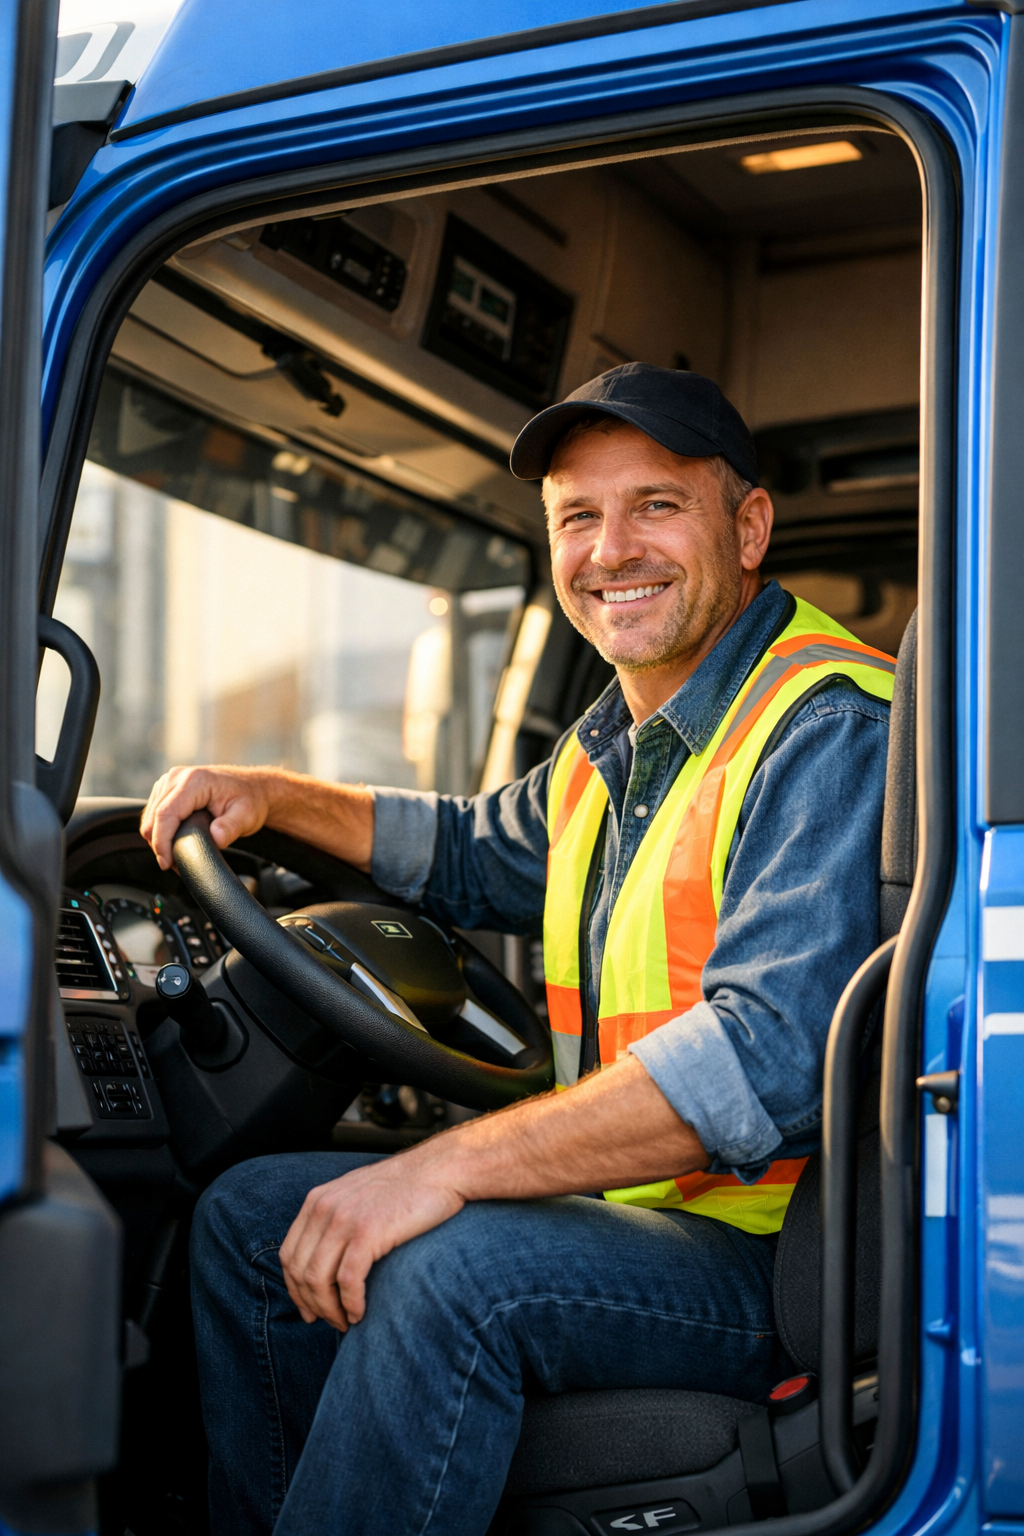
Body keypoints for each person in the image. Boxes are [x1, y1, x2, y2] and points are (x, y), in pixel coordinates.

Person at [141, 364, 895, 1536]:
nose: (611, 550)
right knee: (252, 1222)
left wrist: (437, 1168)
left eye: (656, 505)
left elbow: (764, 1060)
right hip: (639, 1215)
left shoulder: (827, 726)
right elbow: (463, 852)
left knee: (447, 1271)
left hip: (770, 1259)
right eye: (576, 518)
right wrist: (268, 792)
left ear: (747, 528)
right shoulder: (625, 738)